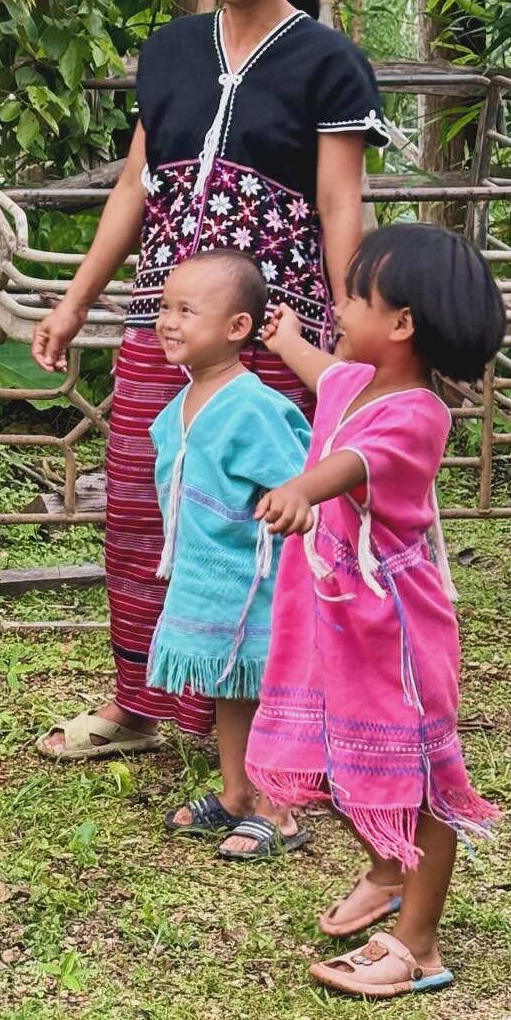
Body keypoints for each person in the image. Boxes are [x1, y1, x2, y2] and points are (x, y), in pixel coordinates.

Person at [32, 0, 386, 761]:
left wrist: (349, 324)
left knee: (251, 517)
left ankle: (274, 722)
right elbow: (134, 188)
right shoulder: (170, 49)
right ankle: (139, 704)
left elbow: (342, 203)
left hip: (269, 329)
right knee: (145, 509)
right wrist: (77, 302)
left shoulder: (329, 62)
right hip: (168, 319)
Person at [249, 224, 503, 997]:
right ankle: (388, 870)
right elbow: (326, 378)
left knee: (422, 775)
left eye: (355, 297)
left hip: (396, 623)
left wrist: (301, 488)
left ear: (401, 326)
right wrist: (289, 338)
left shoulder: (419, 413)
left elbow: (356, 460)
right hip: (335, 612)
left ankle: (418, 944)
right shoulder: (357, 381)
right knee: (358, 753)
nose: (338, 304)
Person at [145, 251, 311, 858]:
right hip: (209, 580)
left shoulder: (254, 407)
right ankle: (239, 793)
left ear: (237, 328)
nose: (168, 321)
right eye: (165, 307)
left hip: (261, 584)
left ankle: (282, 807)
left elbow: (302, 485)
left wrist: (292, 508)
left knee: (273, 688)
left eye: (186, 310)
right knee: (231, 685)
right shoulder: (178, 408)